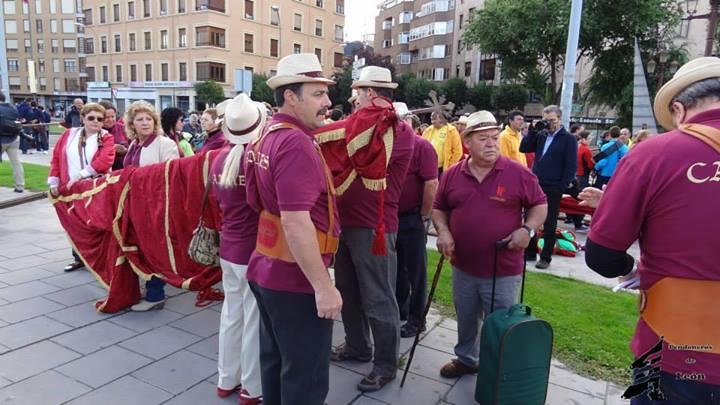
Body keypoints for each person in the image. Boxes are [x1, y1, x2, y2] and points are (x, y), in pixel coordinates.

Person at [584, 56, 720, 404]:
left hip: (676, 349)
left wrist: (632, 270)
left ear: (678, 109)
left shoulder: (654, 154)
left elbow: (602, 255)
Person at [244, 53, 342, 405]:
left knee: (276, 364)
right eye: (317, 94)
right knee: (305, 378)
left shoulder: (266, 133)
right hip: (296, 279)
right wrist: (324, 287)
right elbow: (296, 221)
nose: (327, 102)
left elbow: (255, 201)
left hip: (267, 268)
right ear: (290, 96)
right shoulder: (295, 142)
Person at [433, 110, 547, 378]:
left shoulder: (518, 173)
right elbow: (439, 208)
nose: (491, 144)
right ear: (467, 142)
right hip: (463, 264)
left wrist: (527, 229)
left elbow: (540, 204)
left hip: (503, 268)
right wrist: (443, 232)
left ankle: (497, 370)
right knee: (466, 317)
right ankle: (466, 359)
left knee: (500, 323)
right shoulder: (452, 174)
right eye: (483, 138)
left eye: (494, 138)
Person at [329, 66, 414, 393]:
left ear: (370, 94)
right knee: (347, 290)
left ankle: (385, 364)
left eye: (358, 94)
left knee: (378, 297)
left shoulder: (395, 130)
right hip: (347, 223)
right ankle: (357, 346)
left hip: (374, 227)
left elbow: (356, 153)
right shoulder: (363, 126)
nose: (355, 101)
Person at [212, 94, 264, 404]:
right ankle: (251, 387)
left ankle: (226, 378)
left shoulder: (219, 158)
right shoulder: (256, 159)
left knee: (231, 315)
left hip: (229, 247)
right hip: (252, 249)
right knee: (253, 319)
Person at [123, 101, 180, 311]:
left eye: (149, 119)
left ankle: (156, 294)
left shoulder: (164, 143)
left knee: (154, 249)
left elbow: (171, 175)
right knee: (140, 248)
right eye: (140, 119)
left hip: (155, 206)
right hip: (135, 205)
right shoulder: (134, 144)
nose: (145, 123)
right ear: (132, 124)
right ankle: (148, 288)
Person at [48, 103, 116, 273]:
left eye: (100, 119)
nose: (96, 121)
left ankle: (100, 259)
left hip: (95, 188)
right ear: (83, 118)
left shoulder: (106, 137)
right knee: (75, 223)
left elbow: (105, 161)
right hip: (70, 188)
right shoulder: (69, 135)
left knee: (96, 223)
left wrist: (80, 175)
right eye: (91, 118)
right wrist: (54, 182)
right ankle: (79, 258)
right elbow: (56, 158)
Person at [395, 105, 438, 337]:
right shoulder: (389, 144)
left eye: (402, 120)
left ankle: (417, 318)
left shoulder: (422, 146)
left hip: (412, 216)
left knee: (416, 271)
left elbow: (431, 183)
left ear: (410, 121)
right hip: (392, 217)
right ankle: (401, 310)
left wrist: (424, 214)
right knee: (397, 269)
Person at [519, 105, 577, 270]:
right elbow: (523, 148)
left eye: (551, 120)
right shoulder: (542, 135)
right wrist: (533, 131)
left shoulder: (568, 138)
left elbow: (571, 165)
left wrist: (561, 186)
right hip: (536, 183)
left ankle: (545, 257)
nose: (549, 123)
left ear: (559, 119)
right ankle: (530, 251)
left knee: (549, 223)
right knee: (530, 218)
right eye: (546, 120)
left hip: (553, 186)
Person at [423, 110, 463, 175]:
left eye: (434, 119)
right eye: (431, 119)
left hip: (443, 168)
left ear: (441, 119)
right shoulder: (428, 130)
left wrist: (450, 165)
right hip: (428, 166)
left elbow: (458, 151)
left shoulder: (452, 131)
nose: (432, 122)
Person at [569, 130, 594, 232]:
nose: (590, 140)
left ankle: (572, 219)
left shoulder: (577, 148)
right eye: (589, 138)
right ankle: (578, 223)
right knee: (581, 199)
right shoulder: (586, 150)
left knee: (574, 199)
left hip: (576, 175)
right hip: (582, 176)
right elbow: (590, 165)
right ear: (583, 139)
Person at [0, 92, 24, 192]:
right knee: (16, 163)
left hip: (1, 139)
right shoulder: (13, 107)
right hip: (13, 138)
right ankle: (20, 186)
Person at [98, 101, 129, 170]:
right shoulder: (94, 131)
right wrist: (111, 149)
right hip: (102, 170)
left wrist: (126, 150)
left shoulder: (124, 128)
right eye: (107, 117)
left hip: (122, 169)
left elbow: (134, 147)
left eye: (113, 116)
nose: (110, 120)